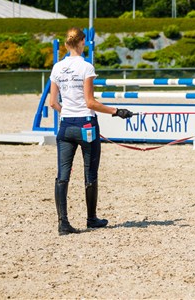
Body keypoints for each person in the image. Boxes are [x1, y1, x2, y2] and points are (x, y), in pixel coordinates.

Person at [49, 28, 133, 236]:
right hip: (86, 125)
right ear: (81, 43)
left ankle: (63, 223)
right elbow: (90, 102)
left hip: (66, 125)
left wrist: (66, 112)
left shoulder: (57, 68)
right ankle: (91, 218)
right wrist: (117, 111)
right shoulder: (86, 67)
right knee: (90, 173)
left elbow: (52, 102)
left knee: (63, 175)